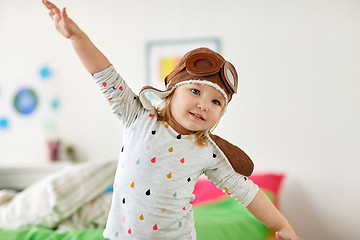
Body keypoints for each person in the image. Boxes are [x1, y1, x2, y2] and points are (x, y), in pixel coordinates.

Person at [42, 1, 301, 239]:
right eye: (196, 91)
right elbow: (105, 75)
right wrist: (77, 37)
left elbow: (247, 191)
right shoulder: (137, 116)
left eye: (216, 102)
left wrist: (281, 225)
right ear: (172, 92)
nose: (203, 105)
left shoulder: (208, 151)